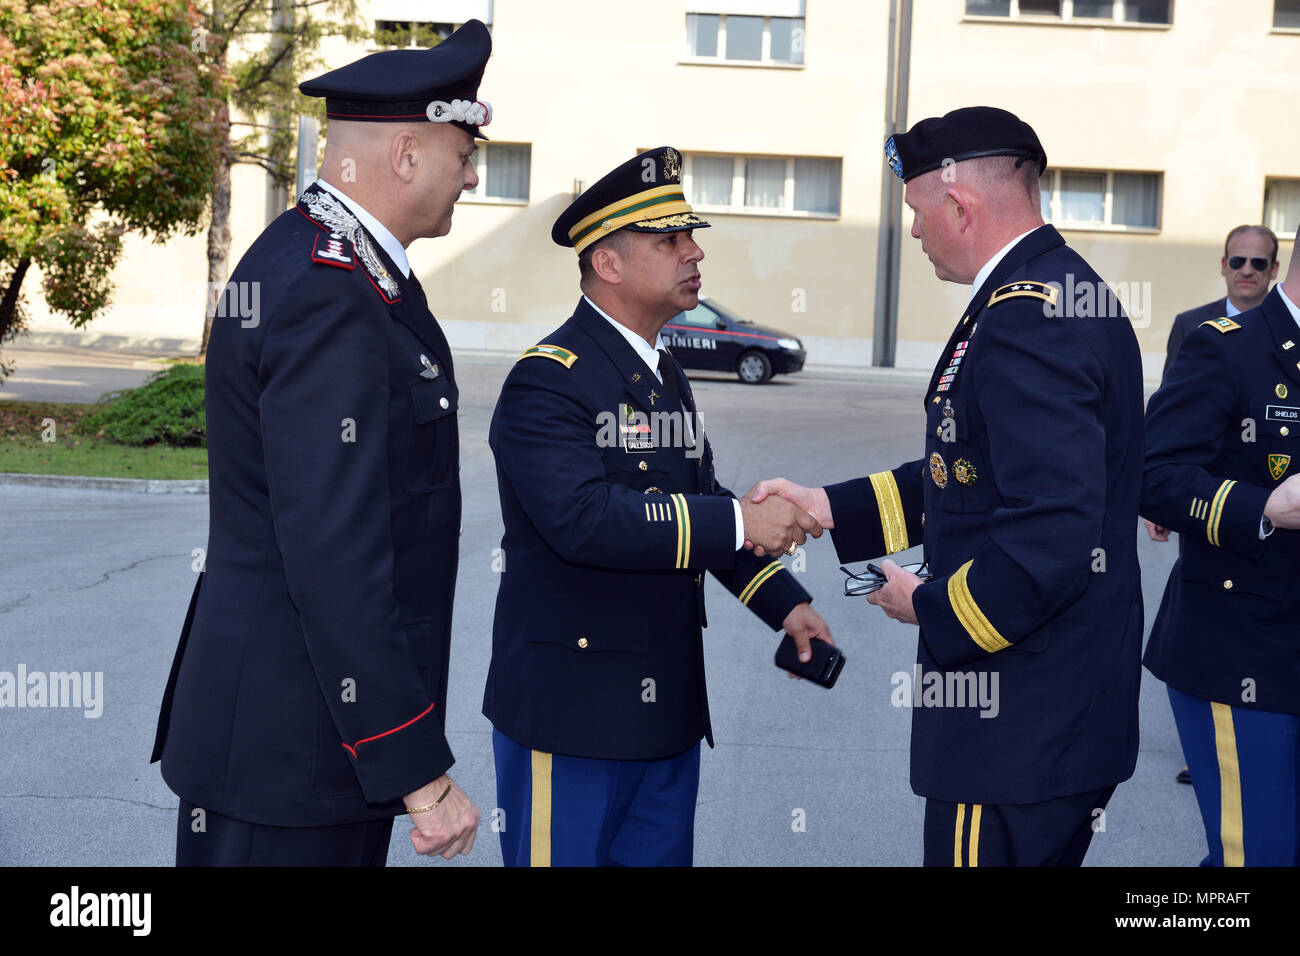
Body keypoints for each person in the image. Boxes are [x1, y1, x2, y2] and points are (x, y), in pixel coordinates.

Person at [752, 107, 1145, 866]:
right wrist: (832, 507)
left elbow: (1052, 529)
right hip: (1053, 721)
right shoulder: (1047, 293)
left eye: (917, 212)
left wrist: (930, 607)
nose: (916, 232)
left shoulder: (1031, 318)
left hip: (1017, 725)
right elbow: (968, 472)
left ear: (960, 206)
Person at [150, 21, 492, 866]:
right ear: (407, 155)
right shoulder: (327, 293)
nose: (473, 175)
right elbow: (333, 560)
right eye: (463, 153)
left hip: (299, 744)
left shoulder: (322, 265)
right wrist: (416, 769)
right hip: (295, 754)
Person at [482, 147, 833, 867]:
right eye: (670, 240)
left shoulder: (662, 370)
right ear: (608, 265)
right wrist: (742, 522)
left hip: (664, 714)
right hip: (572, 718)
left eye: (690, 236)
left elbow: (697, 505)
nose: (694, 252)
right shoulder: (549, 381)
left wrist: (784, 603)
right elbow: (583, 519)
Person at [1140, 230, 1300, 866]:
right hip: (1245, 648)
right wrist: (1259, 508)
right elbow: (1151, 476)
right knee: (1255, 859)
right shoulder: (1225, 348)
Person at [1161, 225, 1280, 383]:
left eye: (1258, 263)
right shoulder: (1189, 324)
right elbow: (1170, 397)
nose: (1246, 271)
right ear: (1224, 265)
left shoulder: (1290, 324)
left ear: (1274, 269)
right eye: (1237, 261)